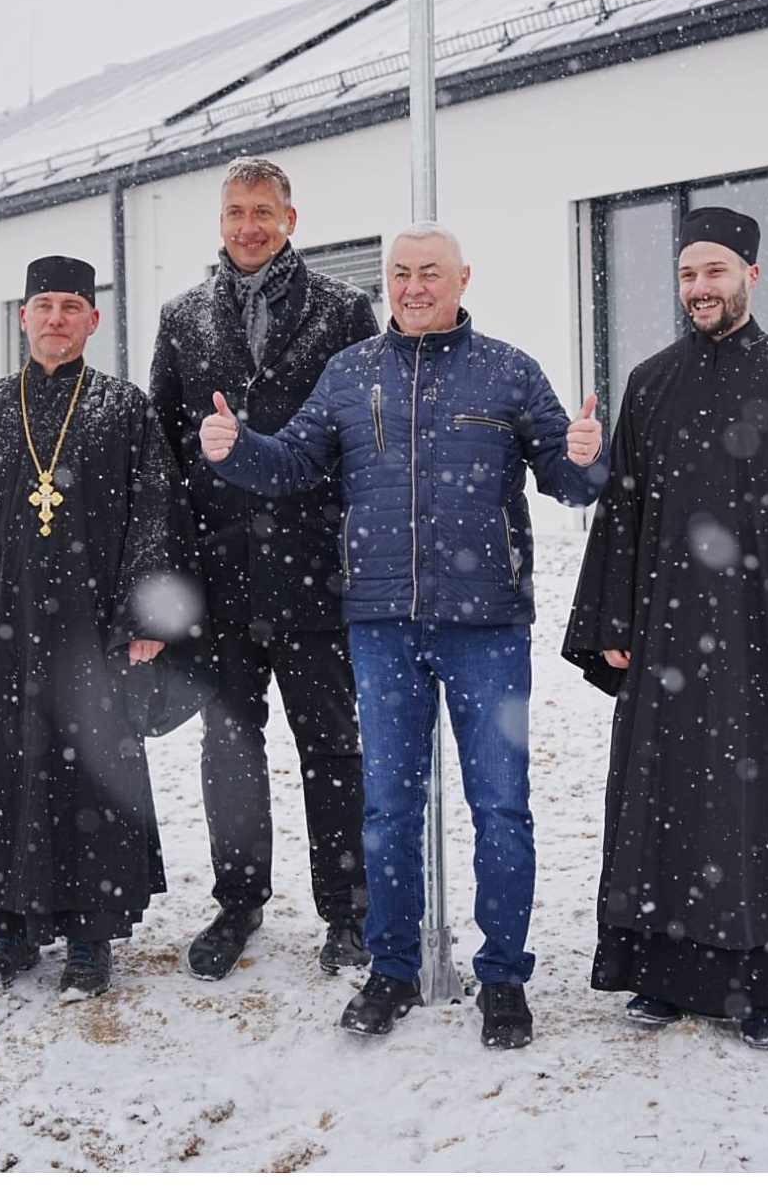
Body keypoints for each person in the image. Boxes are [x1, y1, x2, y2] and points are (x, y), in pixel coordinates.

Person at [199, 223, 607, 1050]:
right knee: (388, 811)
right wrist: (236, 449)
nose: (413, 287)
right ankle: (391, 969)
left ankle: (503, 978)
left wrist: (585, 456)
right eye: (399, 273)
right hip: (381, 623)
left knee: (501, 808)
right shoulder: (351, 373)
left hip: (487, 625)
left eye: (430, 272)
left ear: (462, 278)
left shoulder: (509, 371)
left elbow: (567, 483)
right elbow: (293, 463)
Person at [560, 206, 768, 1050]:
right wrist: (611, 618)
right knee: (663, 799)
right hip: (667, 636)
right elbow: (623, 513)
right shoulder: (651, 384)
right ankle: (662, 971)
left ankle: (762, 981)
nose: (699, 287)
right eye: (687, 274)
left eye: (715, 271)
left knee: (764, 801)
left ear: (751, 275)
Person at [0, 255, 208, 1002]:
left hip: (89, 634)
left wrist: (144, 618)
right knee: (1, 773)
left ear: (93, 320)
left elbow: (156, 515)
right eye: (45, 306)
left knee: (92, 776)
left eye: (72, 306)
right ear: (23, 317)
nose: (57, 319)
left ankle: (90, 936)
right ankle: (8, 929)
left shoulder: (124, 410)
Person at [148, 157, 380, 981]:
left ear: (290, 219)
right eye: (235, 212)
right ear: (220, 222)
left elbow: (364, 441)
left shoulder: (343, 310)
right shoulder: (182, 319)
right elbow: (163, 459)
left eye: (263, 211)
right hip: (221, 579)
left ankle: (348, 912)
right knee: (230, 749)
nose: (249, 226)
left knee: (332, 747)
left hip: (317, 573)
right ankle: (238, 901)